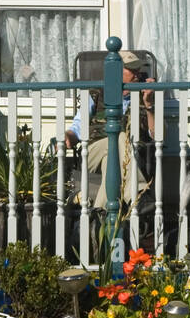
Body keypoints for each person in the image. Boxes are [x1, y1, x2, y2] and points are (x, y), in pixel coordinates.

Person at [64, 50, 156, 210]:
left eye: (138, 69)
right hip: (93, 151)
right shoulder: (96, 91)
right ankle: (138, 192)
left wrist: (149, 105)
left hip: (131, 154)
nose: (137, 73)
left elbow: (157, 135)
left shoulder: (145, 94)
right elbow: (79, 125)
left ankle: (100, 214)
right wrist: (68, 136)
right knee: (118, 138)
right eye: (131, 69)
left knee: (112, 157)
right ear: (115, 71)